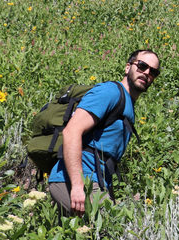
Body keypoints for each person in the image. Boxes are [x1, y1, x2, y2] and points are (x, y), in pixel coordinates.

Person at [47, 49, 160, 215]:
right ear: (128, 67)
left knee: (98, 236)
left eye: (153, 72)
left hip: (97, 183)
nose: (147, 73)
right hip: (76, 181)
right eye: (142, 66)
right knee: (109, 234)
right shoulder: (110, 92)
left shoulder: (128, 104)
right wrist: (78, 186)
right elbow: (71, 131)